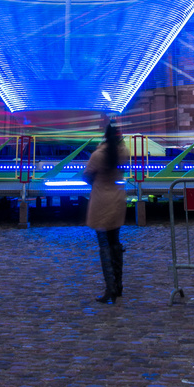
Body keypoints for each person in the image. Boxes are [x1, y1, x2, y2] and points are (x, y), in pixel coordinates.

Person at [83, 122, 128, 304]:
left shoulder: (98, 155)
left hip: (101, 201)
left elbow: (87, 176)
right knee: (116, 244)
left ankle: (110, 288)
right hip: (117, 200)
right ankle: (118, 285)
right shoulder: (123, 153)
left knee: (104, 246)